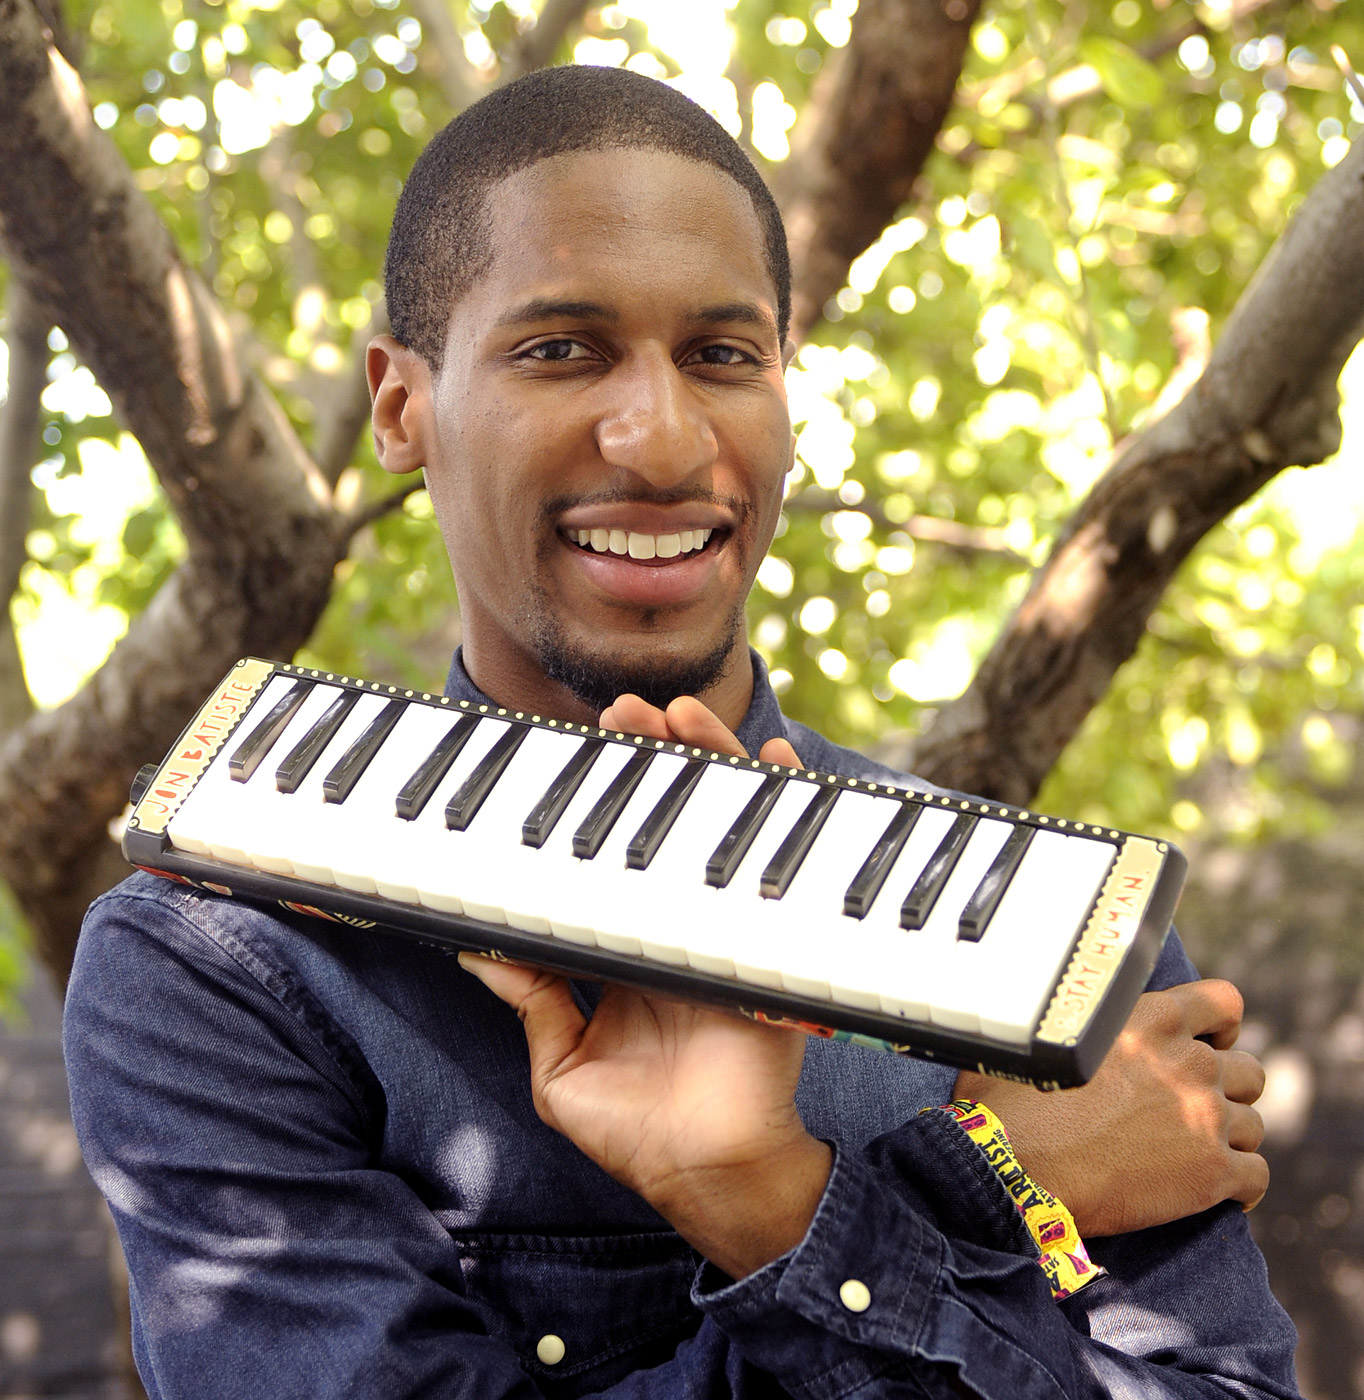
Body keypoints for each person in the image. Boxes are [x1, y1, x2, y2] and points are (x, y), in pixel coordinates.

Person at [65, 64, 1298, 1399]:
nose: (659, 442)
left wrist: (790, 1207)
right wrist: (969, 1182)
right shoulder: (223, 966)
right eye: (560, 349)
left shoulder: (1063, 933)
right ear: (401, 406)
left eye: (724, 355)